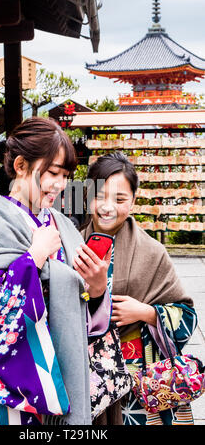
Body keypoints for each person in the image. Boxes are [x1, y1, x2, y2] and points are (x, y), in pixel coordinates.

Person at [0, 117, 112, 426]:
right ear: (21, 165)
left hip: (62, 379)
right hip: (6, 395)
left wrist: (96, 289)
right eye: (52, 173)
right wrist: (32, 259)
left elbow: (83, 315)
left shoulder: (63, 226)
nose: (61, 184)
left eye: (65, 175)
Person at [76, 151, 197, 426]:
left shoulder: (153, 252)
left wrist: (145, 312)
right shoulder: (69, 247)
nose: (108, 207)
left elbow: (188, 318)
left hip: (138, 387)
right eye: (100, 196)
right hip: (84, 380)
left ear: (132, 201)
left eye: (119, 199)